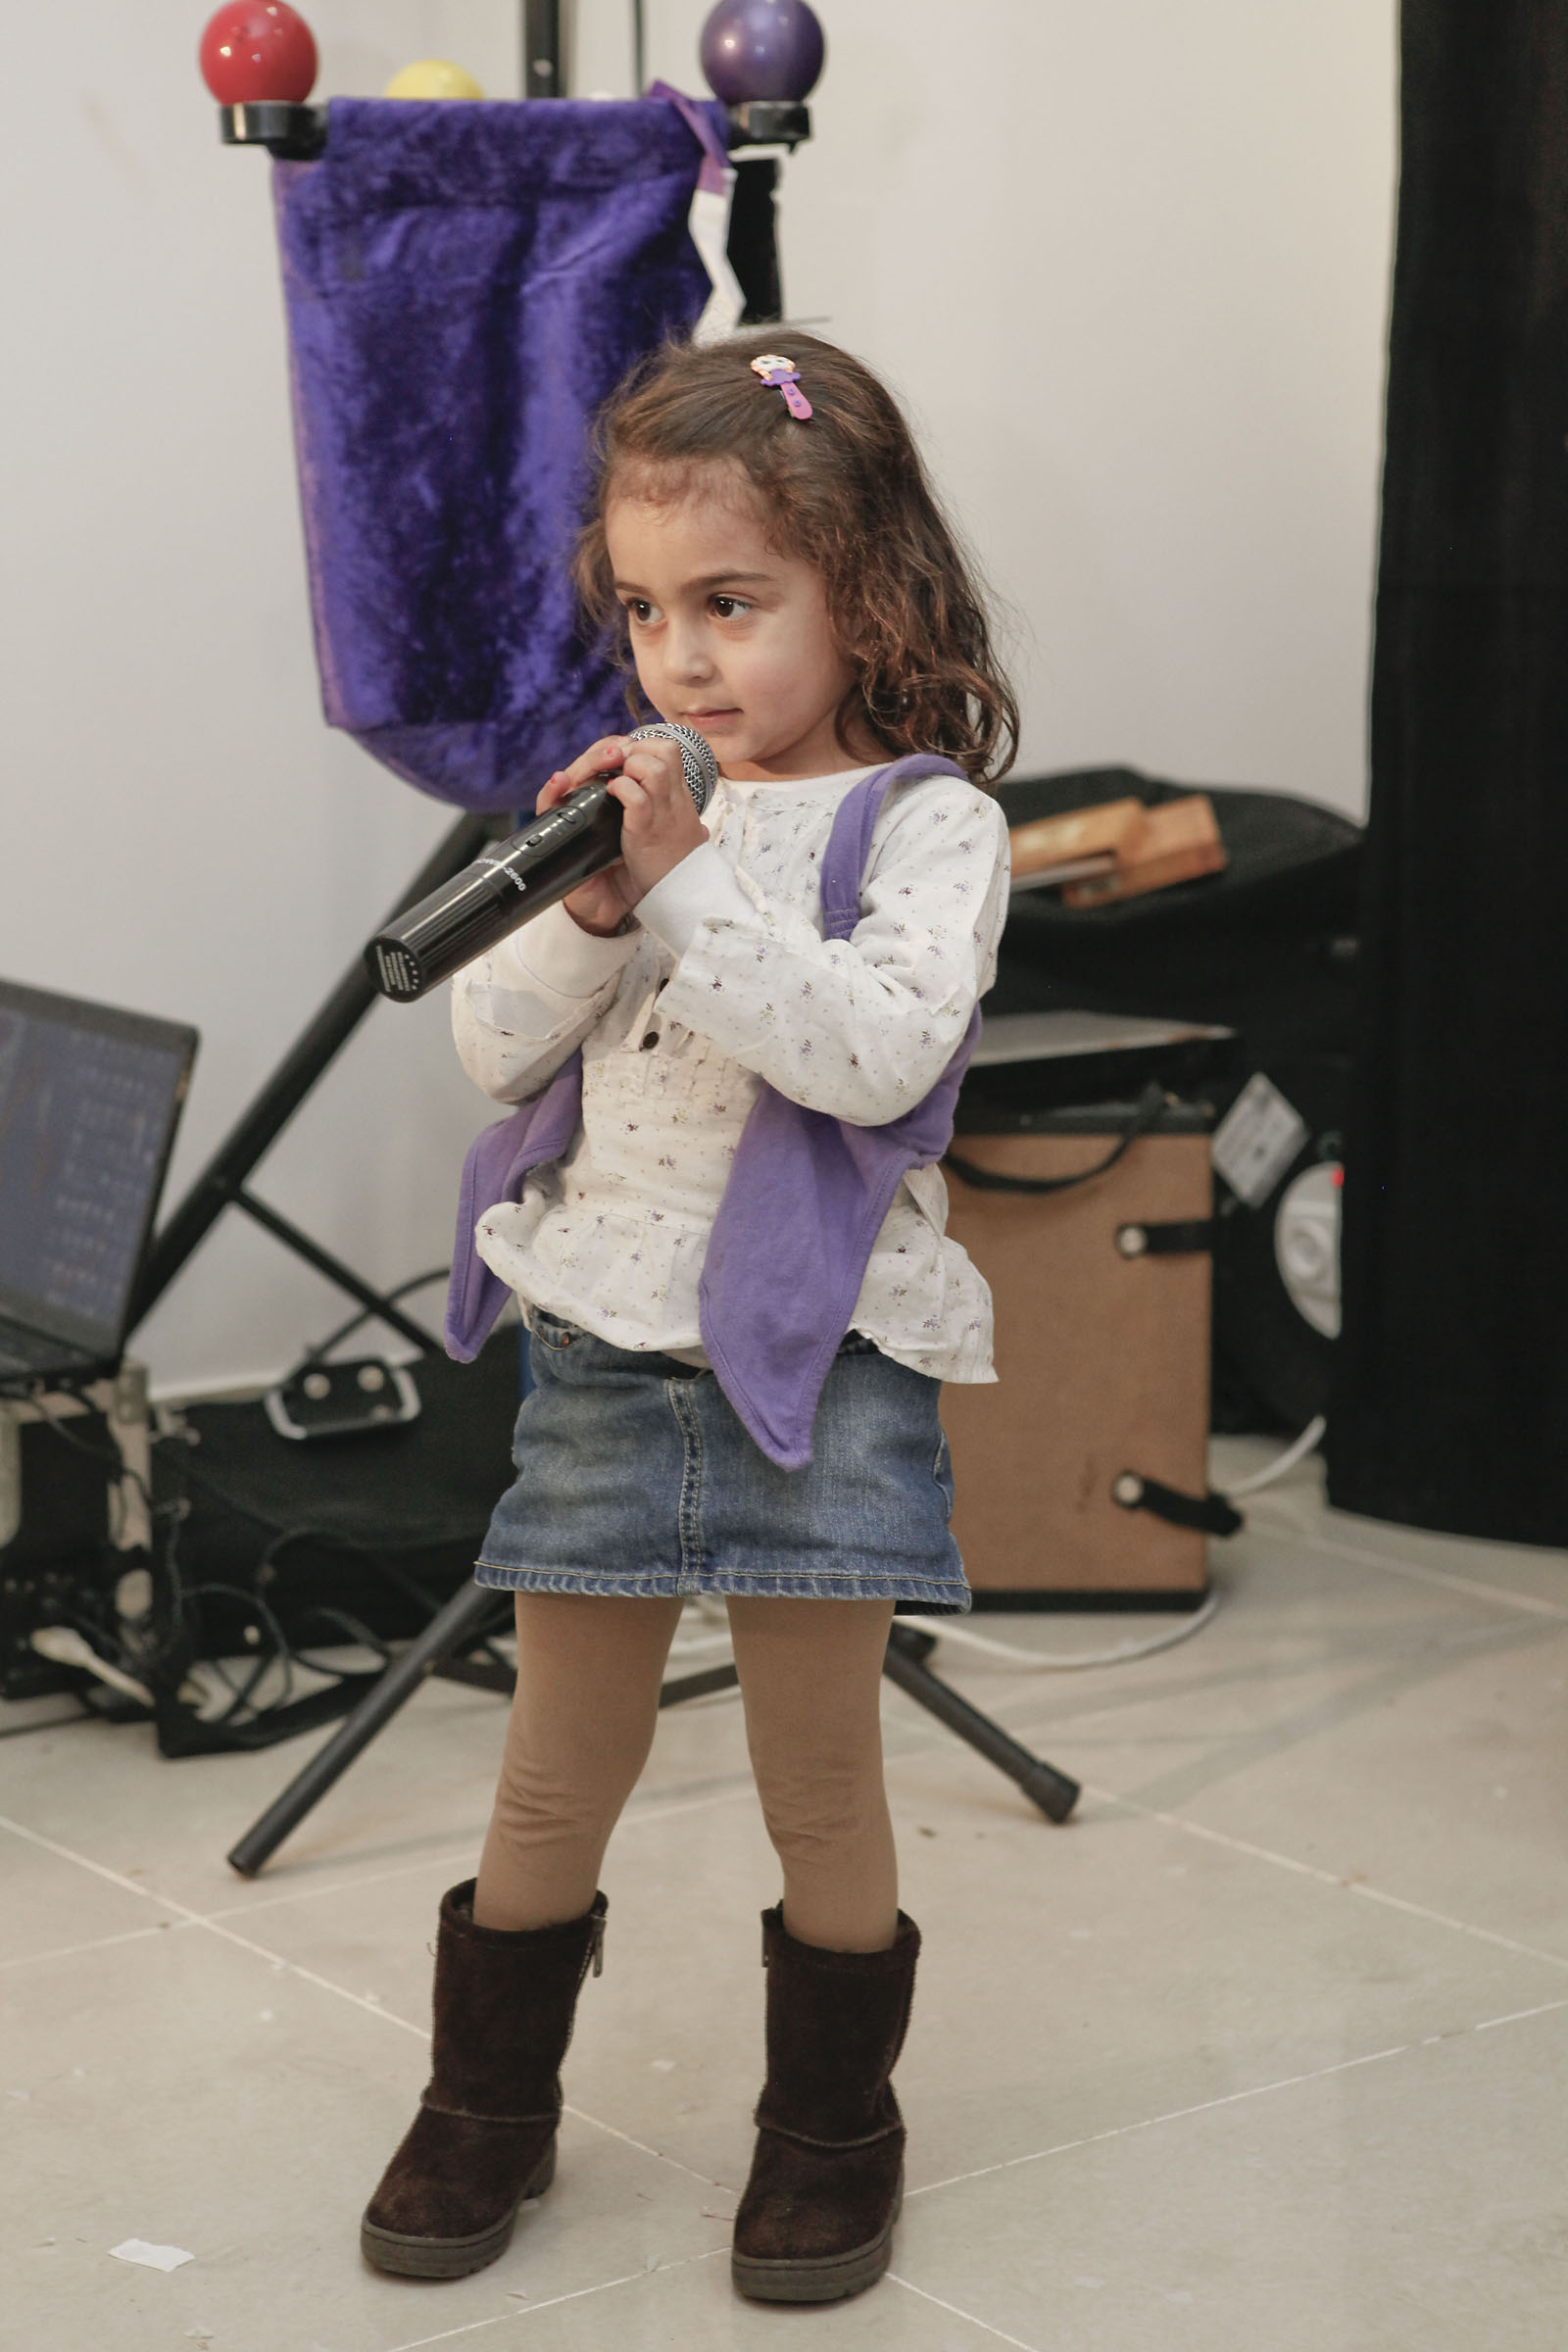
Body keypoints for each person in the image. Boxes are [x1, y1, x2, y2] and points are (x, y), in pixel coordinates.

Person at [360, 331, 1018, 2304]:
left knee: (819, 1775)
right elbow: (494, 1052)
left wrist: (685, 887)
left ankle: (831, 2127)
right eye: (646, 612)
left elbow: (870, 1054)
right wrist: (584, 906)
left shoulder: (925, 826)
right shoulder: (630, 815)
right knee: (555, 1764)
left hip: (827, 1361)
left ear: (865, 590)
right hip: (603, 1340)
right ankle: (487, 2101)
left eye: (730, 604)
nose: (680, 658)